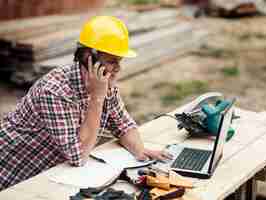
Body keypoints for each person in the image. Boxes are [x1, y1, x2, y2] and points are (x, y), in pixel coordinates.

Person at [0, 16, 172, 191]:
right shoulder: (54, 91)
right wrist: (97, 98)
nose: (118, 68)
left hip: (51, 170)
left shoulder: (104, 84)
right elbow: (79, 155)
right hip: (14, 174)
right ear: (89, 58)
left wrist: (139, 150)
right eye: (112, 61)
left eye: (119, 61)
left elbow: (123, 124)